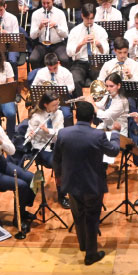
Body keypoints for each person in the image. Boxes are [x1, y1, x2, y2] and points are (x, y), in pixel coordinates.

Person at [54, 102, 121, 265]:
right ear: (93, 117)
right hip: (92, 184)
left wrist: (58, 176)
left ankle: (83, 245)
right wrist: (116, 133)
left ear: (76, 116)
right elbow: (113, 150)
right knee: (92, 218)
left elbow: (56, 158)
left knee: (78, 215)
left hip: (72, 182)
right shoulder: (97, 135)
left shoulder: (63, 133)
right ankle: (91, 254)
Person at [25, 91, 67, 208]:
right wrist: (30, 135)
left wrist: (48, 131)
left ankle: (68, 189)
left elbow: (60, 133)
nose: (56, 107)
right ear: (45, 105)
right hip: (42, 148)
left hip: (56, 145)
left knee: (70, 159)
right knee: (59, 164)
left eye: (57, 104)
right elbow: (28, 135)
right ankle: (62, 195)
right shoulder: (36, 116)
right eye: (54, 105)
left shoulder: (59, 114)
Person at [66, 3, 109, 89]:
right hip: (80, 62)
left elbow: (106, 51)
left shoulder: (101, 30)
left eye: (91, 18)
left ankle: (100, 102)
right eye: (87, 18)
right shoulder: (75, 31)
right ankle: (80, 102)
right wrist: (81, 43)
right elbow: (69, 52)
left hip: (96, 61)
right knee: (75, 81)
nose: (89, 21)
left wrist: (99, 45)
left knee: (102, 81)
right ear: (82, 15)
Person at [29, 0, 70, 69]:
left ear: (53, 1)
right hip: (42, 44)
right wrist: (40, 27)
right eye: (43, 3)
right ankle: (39, 78)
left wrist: (56, 26)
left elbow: (65, 34)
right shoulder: (36, 14)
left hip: (57, 44)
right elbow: (32, 36)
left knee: (65, 59)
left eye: (48, 3)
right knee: (33, 59)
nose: (46, 6)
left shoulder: (60, 13)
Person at [32, 53, 76, 119]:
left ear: (58, 63)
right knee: (37, 114)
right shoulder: (41, 72)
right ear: (46, 66)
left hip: (62, 98)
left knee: (66, 115)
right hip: (46, 99)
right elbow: (34, 86)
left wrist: (62, 89)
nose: (52, 71)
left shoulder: (66, 72)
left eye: (55, 68)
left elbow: (72, 86)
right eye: (50, 69)